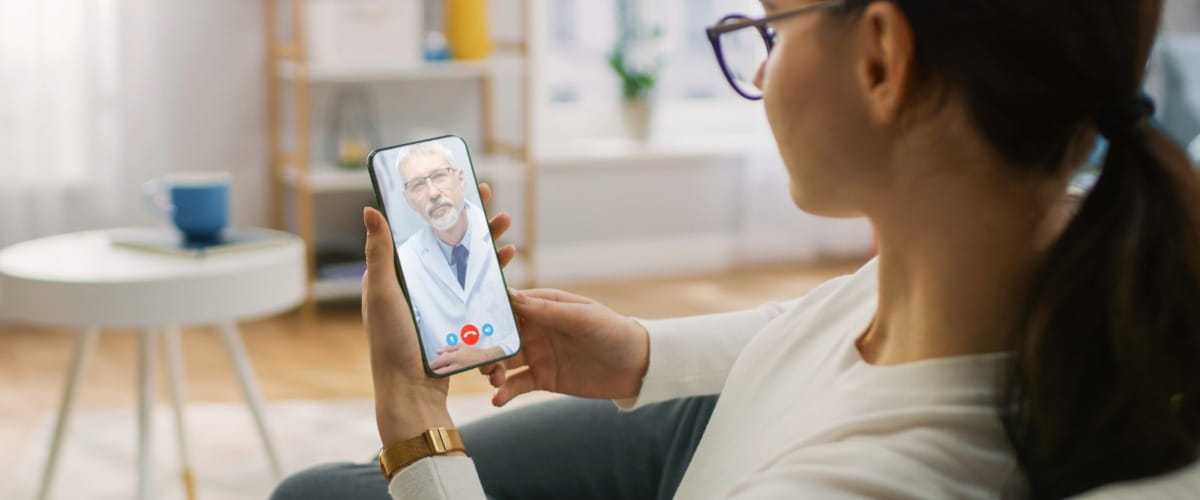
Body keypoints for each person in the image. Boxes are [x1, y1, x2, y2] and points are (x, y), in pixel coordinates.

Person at [272, 0, 1200, 499]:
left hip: (760, 442)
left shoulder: (877, 479)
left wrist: (411, 409)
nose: (758, 68)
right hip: (748, 409)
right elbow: (822, 316)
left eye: (767, 27)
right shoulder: (1037, 253)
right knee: (321, 494)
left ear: (882, 59)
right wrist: (640, 352)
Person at [392, 141, 518, 375]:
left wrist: (492, 353)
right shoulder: (405, 259)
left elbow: (519, 325)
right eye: (418, 185)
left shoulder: (493, 236)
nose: (432, 193)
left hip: (509, 369)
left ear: (461, 179)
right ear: (408, 199)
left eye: (439, 176)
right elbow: (411, 341)